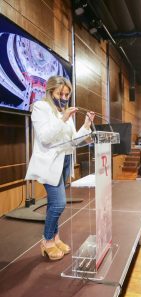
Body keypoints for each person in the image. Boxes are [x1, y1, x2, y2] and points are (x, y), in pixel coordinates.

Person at [25, 76, 95, 261]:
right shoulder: (41, 107)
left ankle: (55, 238)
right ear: (50, 92)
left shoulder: (64, 111)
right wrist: (63, 118)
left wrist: (86, 125)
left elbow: (73, 140)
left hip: (65, 161)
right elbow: (45, 138)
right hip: (50, 163)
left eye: (67, 94)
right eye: (60, 93)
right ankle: (47, 241)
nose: (64, 97)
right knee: (58, 204)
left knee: (53, 204)